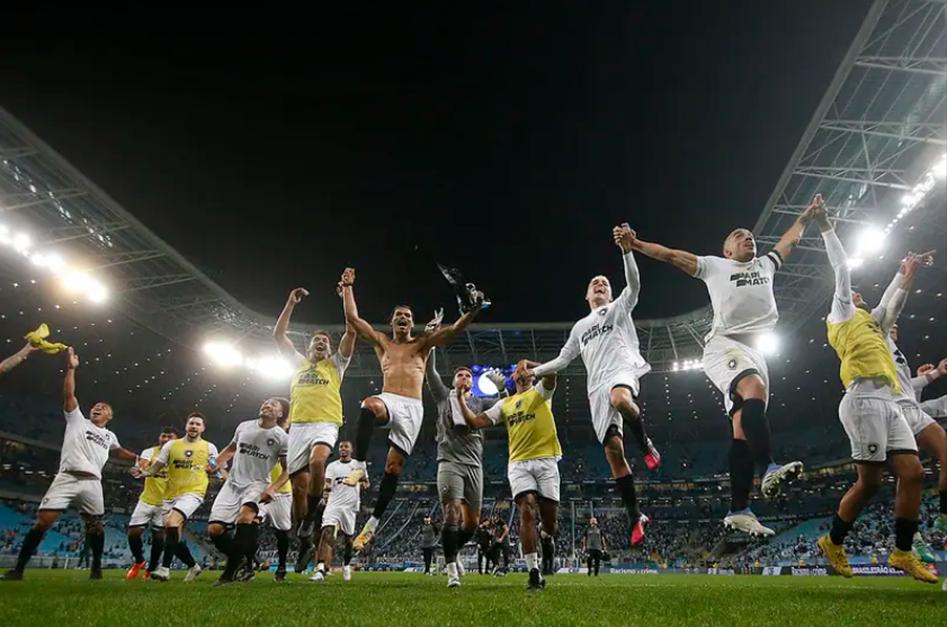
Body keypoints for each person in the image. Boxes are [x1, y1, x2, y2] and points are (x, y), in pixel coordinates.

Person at [628, 198, 821, 534]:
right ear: (727, 251)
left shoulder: (766, 265)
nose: (748, 237)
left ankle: (739, 509)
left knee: (742, 430)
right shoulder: (715, 266)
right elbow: (671, 255)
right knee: (753, 389)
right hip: (724, 345)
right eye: (738, 235)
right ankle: (769, 466)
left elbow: (789, 240)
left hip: (755, 351)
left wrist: (804, 217)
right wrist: (636, 244)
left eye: (750, 235)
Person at [811, 203, 937, 584]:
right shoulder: (840, 315)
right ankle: (832, 541)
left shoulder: (873, 323)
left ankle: (902, 552)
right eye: (853, 294)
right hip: (862, 398)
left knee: (912, 473)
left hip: (889, 402)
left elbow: (892, 306)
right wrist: (827, 227)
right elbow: (843, 270)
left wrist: (906, 275)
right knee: (870, 483)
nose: (858, 295)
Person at [525, 223, 655, 546]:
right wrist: (535, 371)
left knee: (622, 400)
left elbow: (635, 286)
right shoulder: (580, 327)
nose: (600, 284)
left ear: (610, 293)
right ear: (586, 295)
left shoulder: (618, 308)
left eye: (604, 283)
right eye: (594, 283)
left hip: (620, 372)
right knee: (613, 453)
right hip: (595, 389)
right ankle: (635, 516)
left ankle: (647, 445)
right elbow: (563, 360)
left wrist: (627, 251)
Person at [337, 267, 482, 550]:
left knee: (393, 468)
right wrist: (347, 287)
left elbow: (454, 329)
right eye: (398, 315)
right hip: (389, 398)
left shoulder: (422, 344)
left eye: (408, 316)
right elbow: (353, 319)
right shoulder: (383, 343)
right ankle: (360, 466)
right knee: (368, 406)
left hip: (413, 409)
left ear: (413, 323)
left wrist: (472, 311)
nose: (403, 318)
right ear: (392, 322)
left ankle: (372, 525)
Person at [3, 348, 138, 581]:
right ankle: (19, 569)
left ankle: (96, 568)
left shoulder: (109, 435)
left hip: (93, 483)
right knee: (43, 522)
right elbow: (69, 394)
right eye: (96, 406)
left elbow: (119, 451)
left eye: (104, 407)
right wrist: (71, 369)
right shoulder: (77, 420)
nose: (98, 407)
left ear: (110, 416)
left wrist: (137, 458)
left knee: (95, 526)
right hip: (66, 477)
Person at [273, 287, 356, 572]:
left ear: (330, 349)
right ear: (309, 347)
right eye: (316, 340)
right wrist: (289, 303)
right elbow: (278, 336)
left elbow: (352, 331)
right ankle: (305, 540)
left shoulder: (336, 365)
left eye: (325, 341)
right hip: (297, 427)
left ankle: (309, 522)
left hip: (325, 423)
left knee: (319, 461)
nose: (321, 342)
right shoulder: (297, 363)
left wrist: (346, 292)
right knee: (298, 490)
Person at [457, 364, 561, 591]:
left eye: (525, 370)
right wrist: (459, 398)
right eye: (518, 370)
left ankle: (546, 536)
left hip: (546, 461)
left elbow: (552, 373)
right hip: (518, 464)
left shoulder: (540, 392)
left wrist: (533, 366)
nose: (521, 372)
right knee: (527, 510)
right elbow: (475, 422)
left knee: (550, 523)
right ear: (513, 379)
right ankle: (533, 571)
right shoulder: (504, 404)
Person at [425, 343, 501, 587]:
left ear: (473, 382)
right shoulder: (442, 396)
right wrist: (432, 342)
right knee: (452, 513)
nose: (464, 377)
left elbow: (504, 409)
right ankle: (451, 573)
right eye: (460, 374)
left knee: (472, 523)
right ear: (454, 380)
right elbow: (430, 372)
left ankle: (451, 552)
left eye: (468, 375)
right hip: (449, 462)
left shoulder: (481, 403)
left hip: (475, 465)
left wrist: (502, 390)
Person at [204, 398, 289, 586]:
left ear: (280, 414)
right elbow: (231, 449)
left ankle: (228, 574)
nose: (267, 405)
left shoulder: (281, 437)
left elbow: (287, 469)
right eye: (265, 402)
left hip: (257, 485)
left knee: (245, 518)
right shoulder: (244, 426)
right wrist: (216, 463)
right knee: (214, 530)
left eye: (273, 405)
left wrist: (272, 488)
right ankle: (242, 560)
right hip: (233, 484)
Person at [886, 327, 947, 559]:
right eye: (890, 323)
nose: (894, 327)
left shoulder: (898, 355)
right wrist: (934, 375)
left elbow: (906, 389)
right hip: (890, 414)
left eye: (896, 326)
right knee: (910, 475)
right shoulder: (874, 343)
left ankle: (943, 517)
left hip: (913, 410)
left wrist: (933, 375)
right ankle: (914, 538)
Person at [137, 412, 219, 582]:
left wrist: (215, 470)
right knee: (173, 535)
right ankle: (193, 566)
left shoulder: (209, 447)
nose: (194, 426)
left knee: (171, 523)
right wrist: (143, 472)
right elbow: (157, 467)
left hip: (194, 492)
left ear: (203, 428)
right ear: (186, 426)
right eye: (191, 423)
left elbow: (214, 467)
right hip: (170, 494)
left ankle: (164, 569)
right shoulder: (172, 445)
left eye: (197, 424)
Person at [310, 440, 368, 583]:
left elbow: (367, 483)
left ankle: (346, 564)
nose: (343, 449)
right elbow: (328, 482)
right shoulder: (332, 466)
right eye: (341, 447)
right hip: (334, 504)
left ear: (351, 450)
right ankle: (321, 567)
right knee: (327, 531)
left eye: (346, 446)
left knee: (348, 540)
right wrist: (326, 488)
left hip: (350, 506)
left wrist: (358, 481)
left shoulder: (358, 465)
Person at [126, 426, 178, 579]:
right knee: (133, 532)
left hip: (166, 502)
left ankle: (151, 568)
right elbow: (143, 463)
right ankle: (139, 561)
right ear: (159, 437)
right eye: (163, 436)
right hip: (147, 499)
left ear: (176, 439)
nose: (166, 439)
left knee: (158, 536)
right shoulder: (150, 452)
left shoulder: (179, 456)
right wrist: (139, 469)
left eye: (170, 437)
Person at [257, 410, 294, 581]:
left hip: (282, 492)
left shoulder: (290, 441)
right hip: (259, 489)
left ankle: (281, 565)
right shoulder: (257, 436)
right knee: (248, 522)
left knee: (282, 533)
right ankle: (251, 562)